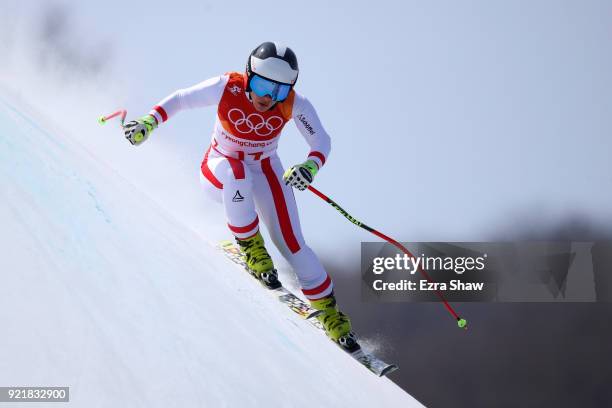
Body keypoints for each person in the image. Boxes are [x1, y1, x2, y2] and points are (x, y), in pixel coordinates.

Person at [123, 42, 353, 345]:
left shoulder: (295, 104)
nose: (268, 97)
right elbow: (180, 99)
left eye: (280, 91)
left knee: (293, 243)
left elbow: (321, 141)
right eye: (261, 85)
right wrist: (150, 121)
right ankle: (251, 247)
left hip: (265, 169)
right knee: (237, 173)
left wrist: (310, 167)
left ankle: (330, 313)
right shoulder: (226, 87)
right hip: (219, 168)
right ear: (248, 76)